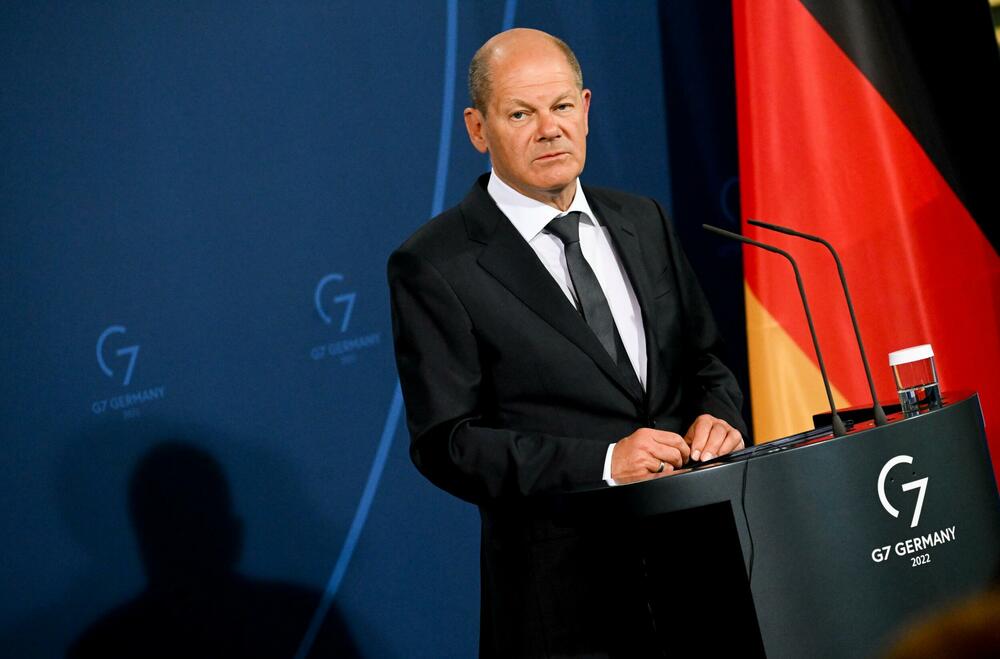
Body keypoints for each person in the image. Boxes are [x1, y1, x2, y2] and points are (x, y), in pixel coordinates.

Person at [388, 28, 746, 657]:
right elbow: (449, 443)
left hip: (697, 573)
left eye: (560, 106)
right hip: (565, 602)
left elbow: (704, 359)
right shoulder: (435, 263)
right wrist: (603, 463)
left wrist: (719, 416)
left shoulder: (642, 219)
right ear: (477, 129)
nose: (549, 130)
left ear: (585, 107)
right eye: (520, 114)